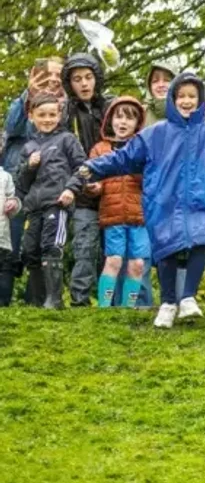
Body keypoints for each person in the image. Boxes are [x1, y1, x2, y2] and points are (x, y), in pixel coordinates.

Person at [80, 73, 205, 327]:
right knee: (167, 249)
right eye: (182, 96)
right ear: (173, 99)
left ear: (200, 101)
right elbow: (124, 157)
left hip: (203, 202)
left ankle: (187, 296)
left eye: (192, 96)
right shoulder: (155, 134)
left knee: (202, 240)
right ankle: (167, 302)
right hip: (164, 202)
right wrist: (95, 167)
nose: (187, 101)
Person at [0, 57, 63, 306]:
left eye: (59, 76)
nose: (54, 80)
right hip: (17, 184)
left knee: (40, 245)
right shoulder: (25, 106)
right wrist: (29, 93)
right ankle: (3, 301)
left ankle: (34, 302)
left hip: (47, 189)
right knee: (8, 245)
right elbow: (11, 126)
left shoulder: (63, 111)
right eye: (49, 75)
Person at [15, 93, 86, 309]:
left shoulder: (67, 139)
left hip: (57, 203)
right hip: (34, 206)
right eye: (42, 115)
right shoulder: (28, 147)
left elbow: (83, 168)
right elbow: (21, 183)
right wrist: (29, 166)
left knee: (51, 246)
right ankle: (38, 301)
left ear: (59, 115)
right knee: (29, 250)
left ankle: (54, 300)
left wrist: (71, 189)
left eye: (52, 115)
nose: (47, 119)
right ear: (31, 116)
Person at [86, 97, 150, 308]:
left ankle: (127, 309)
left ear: (138, 124)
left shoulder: (144, 148)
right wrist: (94, 187)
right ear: (110, 120)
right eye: (118, 117)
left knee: (138, 264)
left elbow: (150, 180)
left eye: (129, 119)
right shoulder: (100, 149)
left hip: (139, 216)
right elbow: (95, 180)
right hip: (113, 216)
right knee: (114, 260)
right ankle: (104, 309)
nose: (123, 122)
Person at [61, 52, 112, 306]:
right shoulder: (65, 113)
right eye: (77, 79)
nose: (84, 84)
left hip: (112, 191)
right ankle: (79, 301)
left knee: (111, 251)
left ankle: (109, 302)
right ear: (69, 84)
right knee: (84, 248)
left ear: (97, 79)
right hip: (81, 193)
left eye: (88, 77)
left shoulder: (110, 108)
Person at [142, 59, 180, 127]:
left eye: (167, 80)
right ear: (149, 87)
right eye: (155, 81)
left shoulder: (187, 112)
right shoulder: (140, 113)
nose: (161, 85)